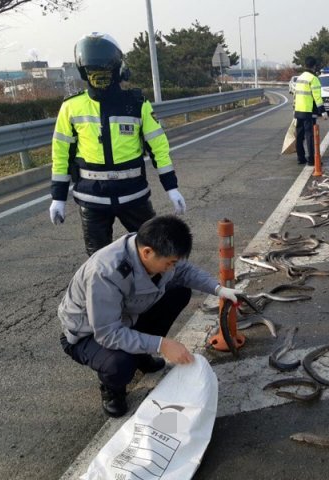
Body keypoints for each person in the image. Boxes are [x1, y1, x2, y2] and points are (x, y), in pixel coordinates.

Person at [58, 215, 241, 417]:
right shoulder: (105, 273)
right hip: (88, 334)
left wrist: (219, 290)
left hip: (127, 318)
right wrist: (162, 345)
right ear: (147, 253)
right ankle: (112, 389)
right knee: (119, 364)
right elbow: (107, 334)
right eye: (170, 263)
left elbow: (185, 271)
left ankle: (140, 355)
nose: (173, 267)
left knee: (179, 292)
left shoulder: (154, 248)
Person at [49, 32, 187, 256]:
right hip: (92, 200)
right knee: (98, 263)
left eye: (104, 70)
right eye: (93, 71)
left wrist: (171, 187)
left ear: (116, 70)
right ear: (84, 72)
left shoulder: (136, 104)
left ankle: (157, 291)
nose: (99, 76)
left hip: (133, 197)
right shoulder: (71, 107)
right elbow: (61, 154)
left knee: (154, 253)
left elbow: (159, 148)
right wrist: (58, 197)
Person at [293, 56, 328, 165]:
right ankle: (312, 159)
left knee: (299, 135)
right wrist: (323, 111)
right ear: (314, 66)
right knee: (310, 136)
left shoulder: (300, 78)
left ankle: (300, 158)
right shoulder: (313, 79)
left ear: (305, 65)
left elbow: (295, 95)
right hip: (308, 111)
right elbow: (317, 97)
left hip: (298, 110)